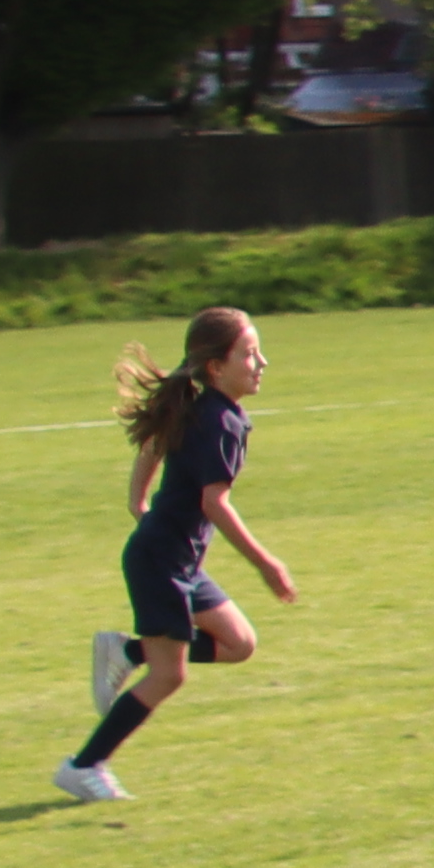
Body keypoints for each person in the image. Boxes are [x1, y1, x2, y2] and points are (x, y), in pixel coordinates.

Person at [61, 305, 294, 802]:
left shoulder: (201, 407)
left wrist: (137, 500)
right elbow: (215, 503)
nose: (262, 363)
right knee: (169, 674)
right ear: (216, 367)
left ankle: (127, 652)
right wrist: (265, 563)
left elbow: (153, 443)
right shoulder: (220, 420)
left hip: (177, 560)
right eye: (249, 354)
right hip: (162, 562)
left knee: (239, 643)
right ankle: (83, 766)